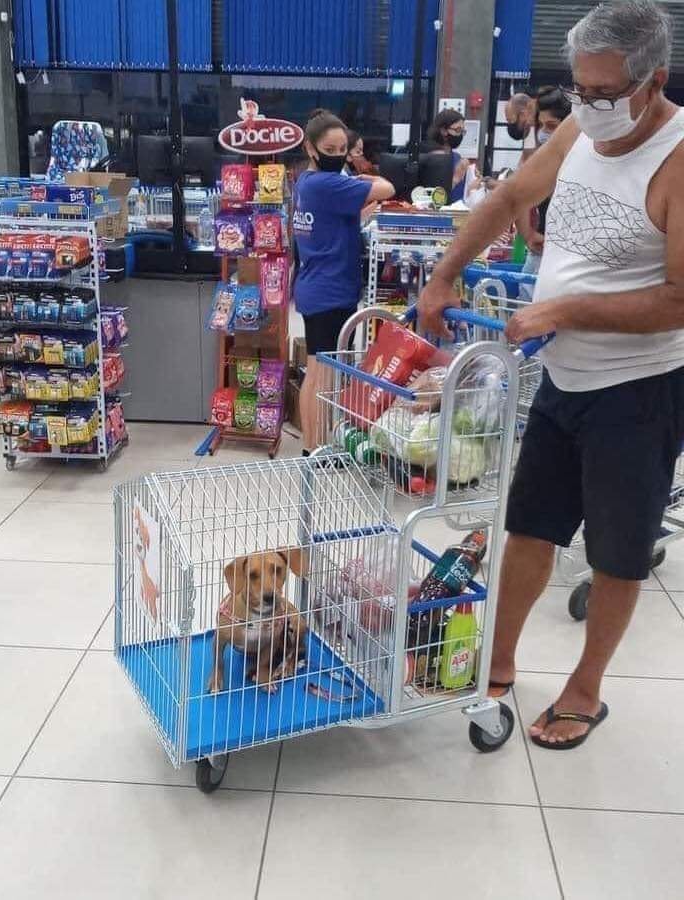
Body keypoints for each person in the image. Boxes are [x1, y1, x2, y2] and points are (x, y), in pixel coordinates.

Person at [418, 0, 684, 750]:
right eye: (579, 91)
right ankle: (496, 665)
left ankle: (585, 689)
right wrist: (444, 275)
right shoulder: (579, 126)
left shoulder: (678, 159)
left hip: (638, 392)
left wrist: (565, 307)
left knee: (617, 553)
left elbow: (679, 299)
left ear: (653, 79)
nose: (589, 108)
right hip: (561, 382)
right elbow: (509, 197)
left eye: (605, 94)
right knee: (528, 527)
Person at [293, 110, 395, 455]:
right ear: (311, 148)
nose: (337, 156)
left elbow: (330, 222)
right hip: (329, 291)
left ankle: (314, 445)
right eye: (331, 149)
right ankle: (315, 449)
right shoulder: (326, 183)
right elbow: (386, 187)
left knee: (317, 371)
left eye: (343, 149)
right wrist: (359, 179)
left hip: (315, 285)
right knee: (322, 376)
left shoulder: (306, 183)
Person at [518, 87, 572, 275]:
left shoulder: (581, 160)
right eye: (540, 125)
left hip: (569, 259)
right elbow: (521, 186)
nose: (543, 133)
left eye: (551, 126)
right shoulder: (543, 159)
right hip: (541, 252)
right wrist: (528, 235)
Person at [422, 108, 470, 202]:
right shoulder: (432, 157)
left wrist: (472, 182)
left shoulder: (456, 157)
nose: (460, 135)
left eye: (462, 131)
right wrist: (456, 178)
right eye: (457, 130)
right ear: (443, 130)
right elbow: (431, 199)